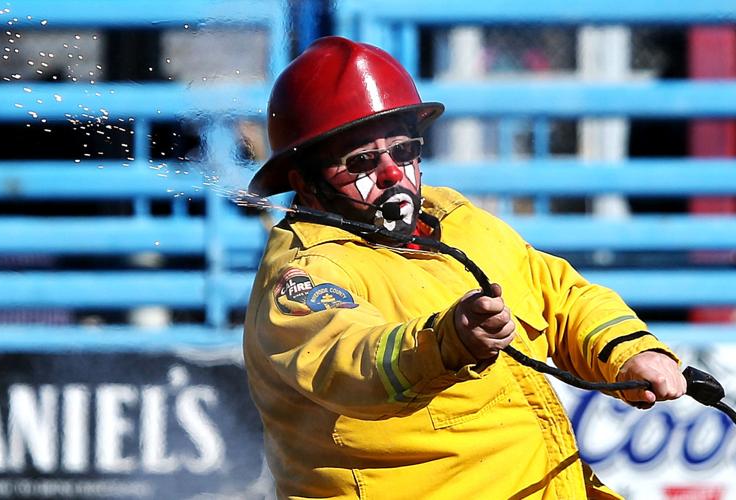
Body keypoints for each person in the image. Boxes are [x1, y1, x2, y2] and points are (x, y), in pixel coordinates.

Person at [243, 36, 686, 499]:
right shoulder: (303, 276)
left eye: (405, 150)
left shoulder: (453, 217)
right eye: (363, 161)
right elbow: (352, 361)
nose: (394, 174)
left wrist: (629, 352)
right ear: (304, 183)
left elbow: (560, 294)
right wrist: (447, 341)